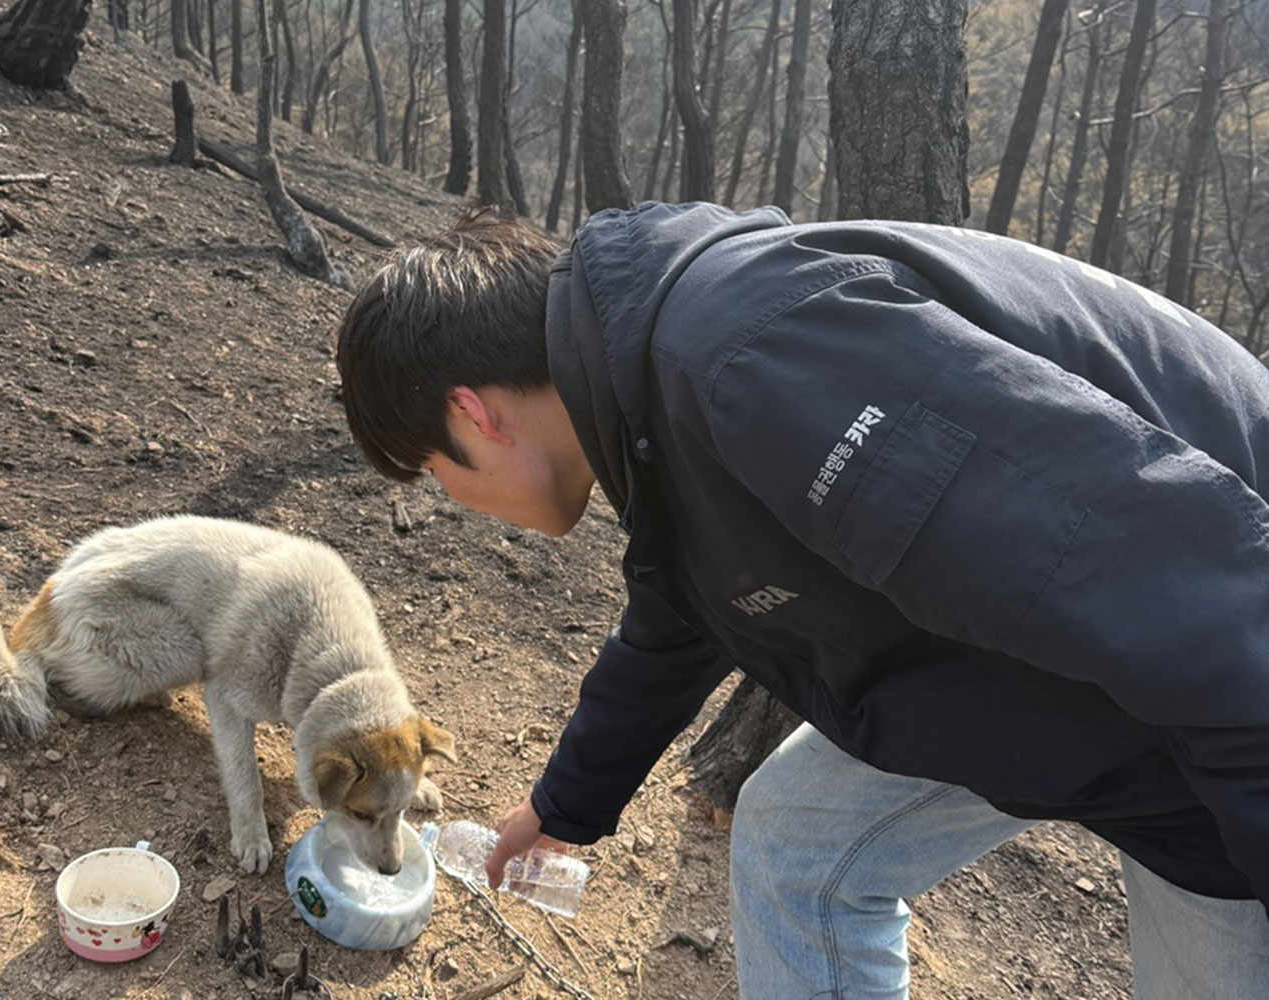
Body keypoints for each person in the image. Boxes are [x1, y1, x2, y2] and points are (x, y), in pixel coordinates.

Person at [334, 201, 1269, 998]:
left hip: (1214, 689)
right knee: (802, 840)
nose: (454, 499)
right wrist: (567, 805)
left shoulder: (754, 361)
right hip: (1064, 659)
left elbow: (1202, 610)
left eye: (430, 469)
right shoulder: (649, 394)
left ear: (473, 414)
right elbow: (682, 606)